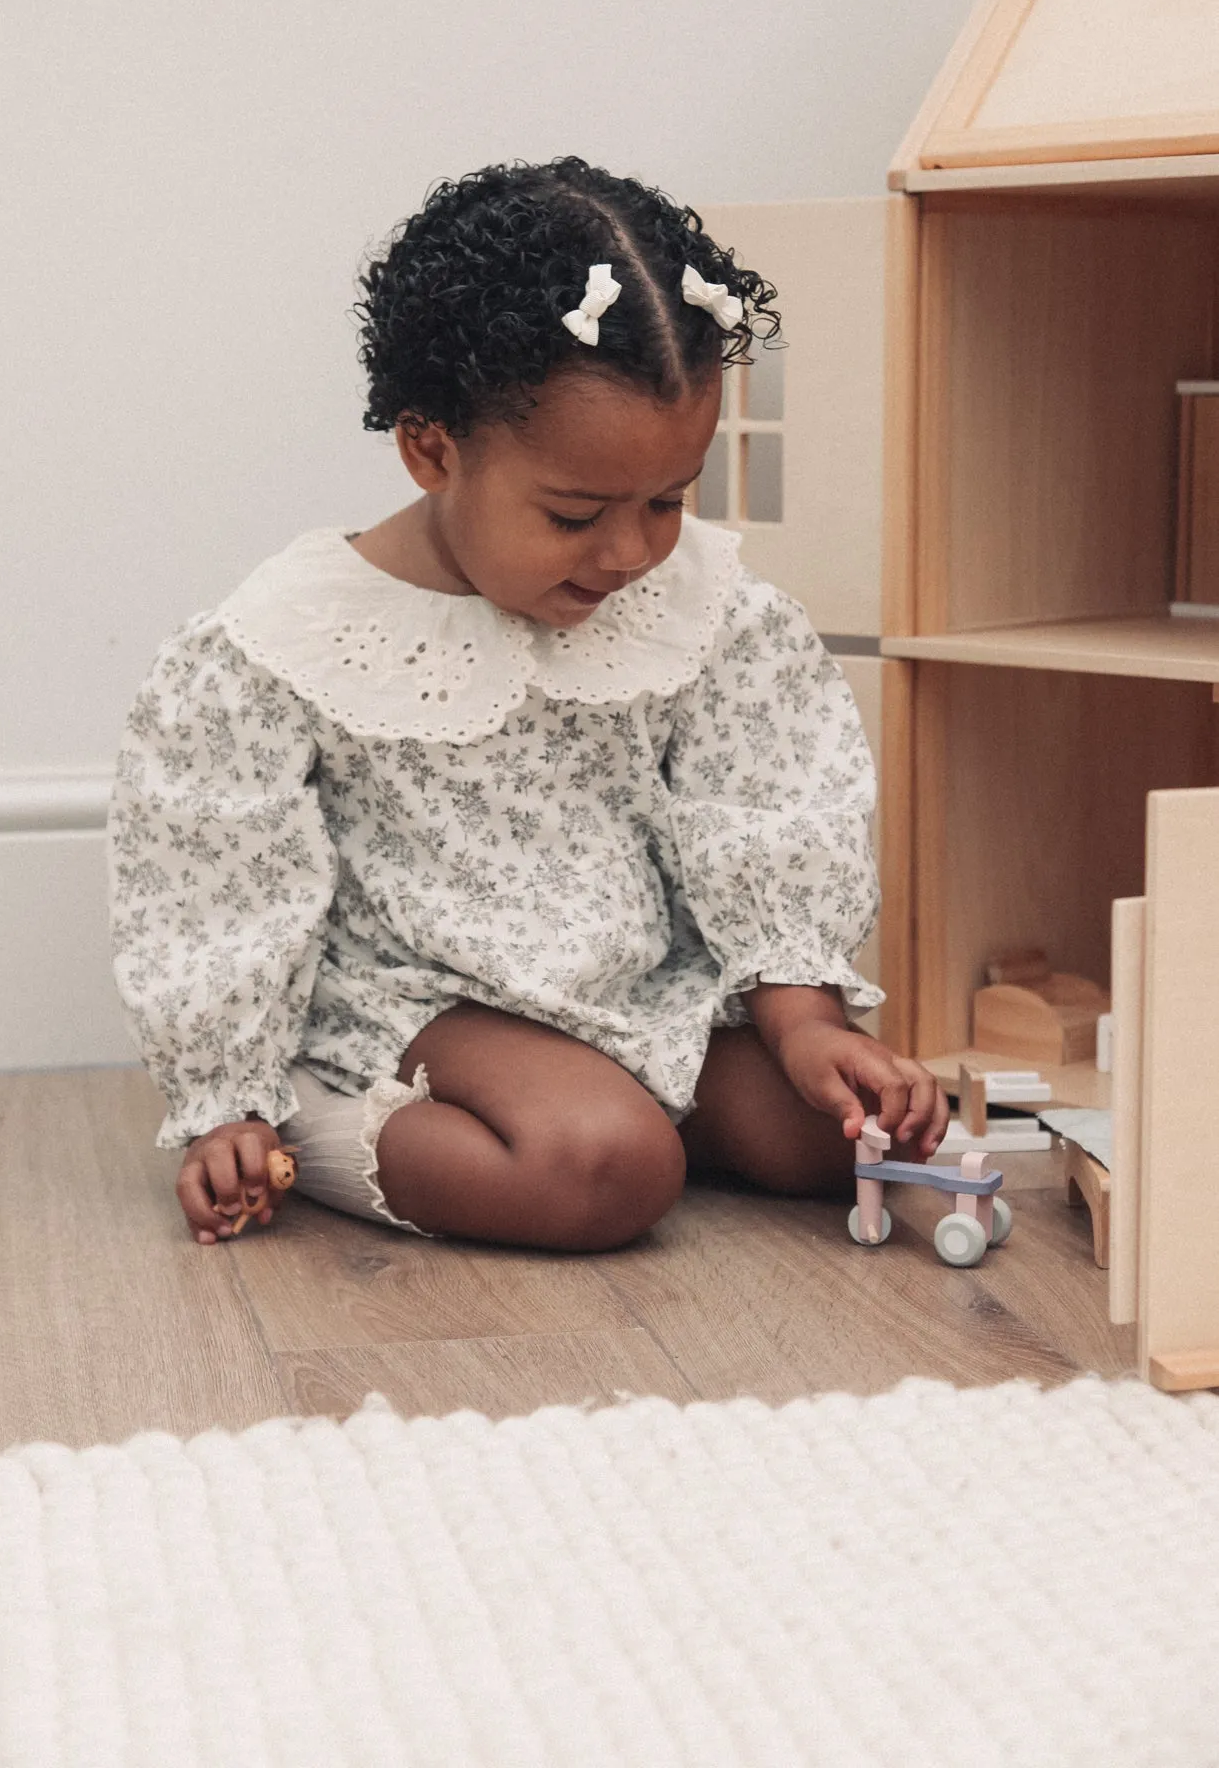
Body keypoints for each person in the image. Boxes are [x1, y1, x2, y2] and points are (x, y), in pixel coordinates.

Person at [107, 156, 945, 1251]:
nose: (631, 549)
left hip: (637, 981)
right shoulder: (286, 642)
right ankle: (309, 1113)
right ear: (430, 448)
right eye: (573, 512)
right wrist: (226, 1089)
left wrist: (800, 1019)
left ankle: (631, 1098)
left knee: (842, 1134)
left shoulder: (704, 608)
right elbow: (214, 877)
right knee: (605, 1170)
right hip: (423, 1001)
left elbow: (767, 802)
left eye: (668, 500)